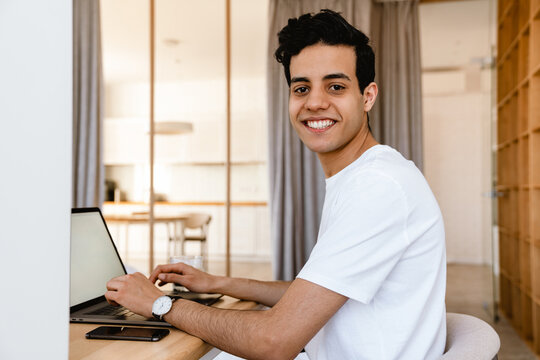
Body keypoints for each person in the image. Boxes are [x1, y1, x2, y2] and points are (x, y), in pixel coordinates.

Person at [105, 9, 446, 360]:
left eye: (336, 86)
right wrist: (218, 283)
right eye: (301, 88)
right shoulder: (365, 176)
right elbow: (314, 294)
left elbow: (273, 342)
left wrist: (159, 303)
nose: (315, 102)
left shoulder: (378, 186)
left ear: (368, 96)